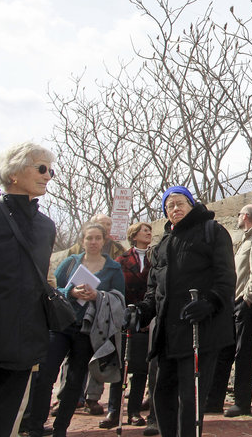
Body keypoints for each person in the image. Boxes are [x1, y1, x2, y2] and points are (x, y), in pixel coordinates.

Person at [0, 143, 56, 437]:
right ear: (15, 172)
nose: (48, 176)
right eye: (41, 168)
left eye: (51, 170)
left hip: (21, 352)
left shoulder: (46, 227)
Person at [135, 186, 236, 437]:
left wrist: (210, 302)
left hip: (199, 330)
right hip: (167, 334)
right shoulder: (161, 245)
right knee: (163, 395)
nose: (175, 209)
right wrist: (142, 312)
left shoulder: (212, 232)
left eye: (180, 203)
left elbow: (226, 277)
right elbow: (153, 290)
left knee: (190, 400)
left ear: (191, 204)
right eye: (169, 206)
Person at [26, 222, 126, 437]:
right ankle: (35, 426)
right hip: (62, 326)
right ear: (82, 241)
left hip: (88, 330)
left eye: (97, 238)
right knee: (46, 376)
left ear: (104, 240)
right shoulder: (70, 263)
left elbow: (119, 298)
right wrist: (71, 292)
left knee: (75, 380)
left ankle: (60, 428)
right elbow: (53, 289)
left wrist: (97, 296)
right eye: (89, 238)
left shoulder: (113, 268)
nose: (93, 242)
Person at [99, 222, 154, 429]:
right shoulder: (120, 260)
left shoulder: (154, 258)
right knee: (120, 366)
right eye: (144, 230)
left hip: (145, 318)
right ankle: (114, 410)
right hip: (124, 317)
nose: (148, 233)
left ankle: (134, 411)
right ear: (134, 235)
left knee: (140, 368)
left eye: (150, 230)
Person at [223, 204, 252, 417]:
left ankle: (242, 401)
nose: (238, 217)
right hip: (236, 301)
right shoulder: (246, 239)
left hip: (244, 303)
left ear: (246, 216)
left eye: (239, 214)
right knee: (230, 350)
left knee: (244, 352)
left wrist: (247, 300)